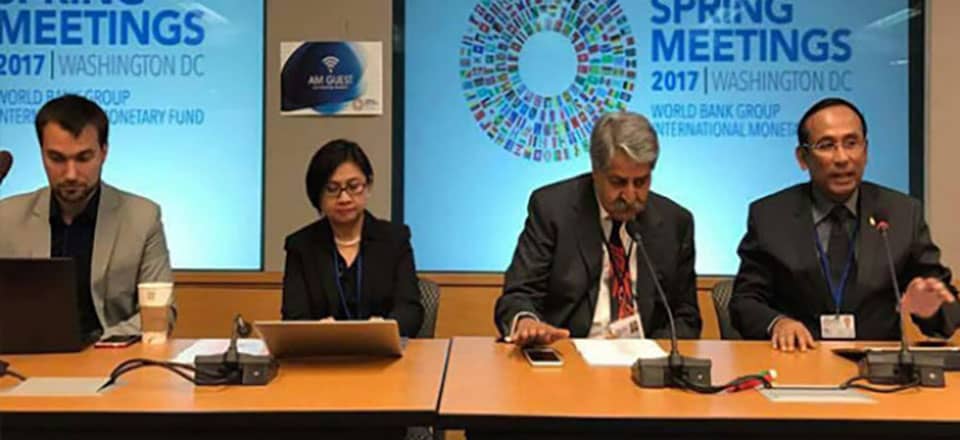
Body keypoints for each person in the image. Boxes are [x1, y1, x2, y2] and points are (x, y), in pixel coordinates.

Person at [730, 97, 959, 351]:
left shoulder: (902, 214)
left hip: (879, 373)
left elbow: (948, 316)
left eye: (851, 143)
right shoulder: (771, 216)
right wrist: (778, 323)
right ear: (802, 158)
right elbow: (745, 302)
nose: (842, 158)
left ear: (866, 150)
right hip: (798, 362)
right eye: (826, 145)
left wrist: (931, 308)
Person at [495, 111, 701, 346]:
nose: (630, 195)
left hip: (646, 364)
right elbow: (519, 294)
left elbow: (686, 317)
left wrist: (654, 355)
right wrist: (526, 322)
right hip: (569, 356)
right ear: (595, 172)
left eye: (641, 182)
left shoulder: (675, 223)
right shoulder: (553, 210)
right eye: (618, 182)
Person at [0, 94, 174, 340]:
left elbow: (161, 314)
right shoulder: (6, 217)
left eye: (83, 158)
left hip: (108, 358)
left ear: (103, 152)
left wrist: (96, 345)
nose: (71, 174)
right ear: (42, 154)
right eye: (57, 158)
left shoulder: (142, 217)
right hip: (28, 361)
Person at [281, 139, 424, 337]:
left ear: (368, 186)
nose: (344, 198)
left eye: (353, 186)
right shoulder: (301, 246)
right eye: (332, 189)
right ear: (317, 195)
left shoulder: (394, 240)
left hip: (382, 355)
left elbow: (410, 310)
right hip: (322, 355)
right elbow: (293, 317)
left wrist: (386, 327)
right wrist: (317, 330)